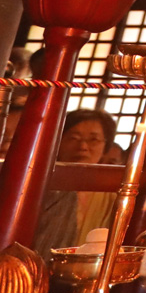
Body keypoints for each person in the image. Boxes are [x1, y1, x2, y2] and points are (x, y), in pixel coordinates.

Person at [32, 109, 122, 256]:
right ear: (59, 141)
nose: (83, 147)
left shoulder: (114, 194)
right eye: (74, 138)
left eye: (94, 140)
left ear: (106, 147)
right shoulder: (39, 184)